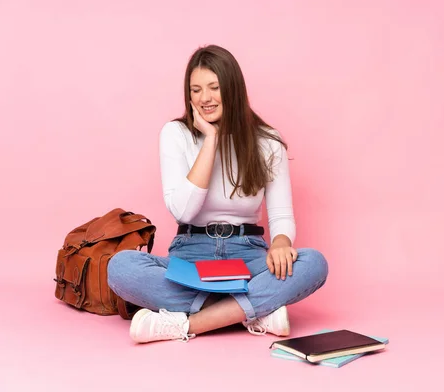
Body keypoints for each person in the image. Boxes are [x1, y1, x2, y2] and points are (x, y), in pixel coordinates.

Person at [107, 45, 329, 344]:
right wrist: (210, 140)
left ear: (233, 89)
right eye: (196, 89)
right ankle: (251, 311)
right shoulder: (176, 134)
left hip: (248, 254)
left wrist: (280, 243)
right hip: (190, 253)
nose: (205, 98)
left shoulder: (267, 141)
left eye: (214, 87)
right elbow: (183, 212)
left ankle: (187, 324)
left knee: (313, 263)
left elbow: (281, 216)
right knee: (121, 267)